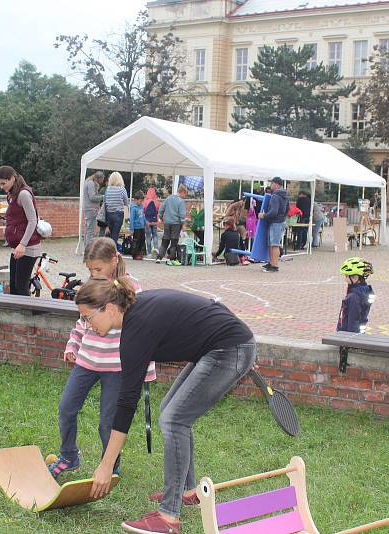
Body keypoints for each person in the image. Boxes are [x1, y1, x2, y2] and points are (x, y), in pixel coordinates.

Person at [78, 281, 255, 534]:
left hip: (227, 349)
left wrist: (106, 465)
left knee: (174, 420)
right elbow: (211, 307)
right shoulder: (137, 311)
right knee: (171, 410)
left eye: (87, 317)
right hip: (229, 345)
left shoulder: (135, 330)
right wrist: (243, 342)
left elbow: (127, 402)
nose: (87, 325)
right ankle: (188, 491)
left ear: (108, 308)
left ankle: (169, 517)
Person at [48, 238, 155, 479]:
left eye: (98, 268)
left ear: (114, 261)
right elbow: (81, 321)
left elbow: (144, 329)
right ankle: (69, 456)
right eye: (90, 270)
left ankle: (110, 466)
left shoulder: (131, 287)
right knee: (66, 408)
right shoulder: (91, 286)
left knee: (108, 422)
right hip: (87, 362)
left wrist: (146, 368)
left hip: (117, 367)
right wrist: (72, 345)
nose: (94, 274)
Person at [0, 166, 41, 296]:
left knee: (21, 286)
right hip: (18, 247)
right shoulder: (12, 193)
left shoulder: (24, 194)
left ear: (12, 179)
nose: (1, 187)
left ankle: (26, 314)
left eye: (3, 183)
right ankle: (15, 313)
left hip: (28, 247)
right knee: (14, 285)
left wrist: (23, 244)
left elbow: (33, 220)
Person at [258, 177, 289, 273]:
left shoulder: (275, 196)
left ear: (276, 184)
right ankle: (271, 263)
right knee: (272, 244)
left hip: (275, 222)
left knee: (274, 244)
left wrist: (264, 215)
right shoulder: (285, 195)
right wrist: (282, 217)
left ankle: (274, 266)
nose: (270, 186)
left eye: (272, 184)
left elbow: (273, 212)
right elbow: (287, 209)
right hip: (280, 221)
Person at [336, 257, 375, 333]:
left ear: (355, 277)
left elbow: (353, 321)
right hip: (355, 334)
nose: (345, 279)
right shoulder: (365, 290)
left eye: (347, 276)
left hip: (347, 336)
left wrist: (349, 340)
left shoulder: (354, 297)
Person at [156, 184, 188, 266]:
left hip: (167, 223)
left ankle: (159, 257)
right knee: (174, 241)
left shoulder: (168, 198)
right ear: (182, 192)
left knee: (165, 240)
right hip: (176, 224)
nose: (185, 196)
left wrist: (160, 216)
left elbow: (162, 208)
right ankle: (171, 259)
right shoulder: (181, 201)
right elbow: (182, 215)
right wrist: (183, 224)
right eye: (185, 194)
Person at [104, 172, 129, 246]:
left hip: (109, 214)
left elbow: (105, 202)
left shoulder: (108, 189)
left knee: (112, 234)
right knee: (115, 235)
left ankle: (111, 250)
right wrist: (127, 220)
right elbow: (126, 203)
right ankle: (113, 252)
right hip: (118, 214)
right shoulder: (122, 189)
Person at [83, 171, 105, 245]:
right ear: (99, 178)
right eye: (102, 179)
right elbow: (92, 197)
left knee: (87, 230)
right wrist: (103, 197)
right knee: (91, 231)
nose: (102, 181)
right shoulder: (91, 183)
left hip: (89, 209)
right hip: (91, 209)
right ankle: (89, 250)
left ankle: (86, 248)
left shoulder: (89, 182)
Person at [143, 187, 161, 255]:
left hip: (147, 222)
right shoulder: (157, 201)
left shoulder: (145, 201)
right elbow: (158, 211)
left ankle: (149, 252)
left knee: (148, 236)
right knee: (155, 236)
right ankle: (156, 249)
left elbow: (143, 211)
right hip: (155, 221)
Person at [129, 192, 146, 261]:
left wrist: (145, 222)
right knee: (136, 241)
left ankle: (140, 253)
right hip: (136, 227)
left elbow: (143, 216)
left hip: (142, 227)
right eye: (140, 201)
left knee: (142, 240)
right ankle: (135, 254)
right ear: (135, 200)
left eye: (142, 201)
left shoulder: (141, 206)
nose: (141, 202)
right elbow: (132, 219)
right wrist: (131, 229)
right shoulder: (133, 208)